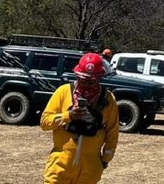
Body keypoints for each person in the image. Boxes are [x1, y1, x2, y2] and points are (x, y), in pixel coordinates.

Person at [40, 53, 118, 184]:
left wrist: (105, 159)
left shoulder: (108, 99)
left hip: (89, 169)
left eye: (91, 81)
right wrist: (68, 116)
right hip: (59, 166)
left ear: (99, 79)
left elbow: (112, 133)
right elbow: (44, 123)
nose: (87, 85)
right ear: (77, 76)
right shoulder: (63, 92)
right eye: (83, 80)